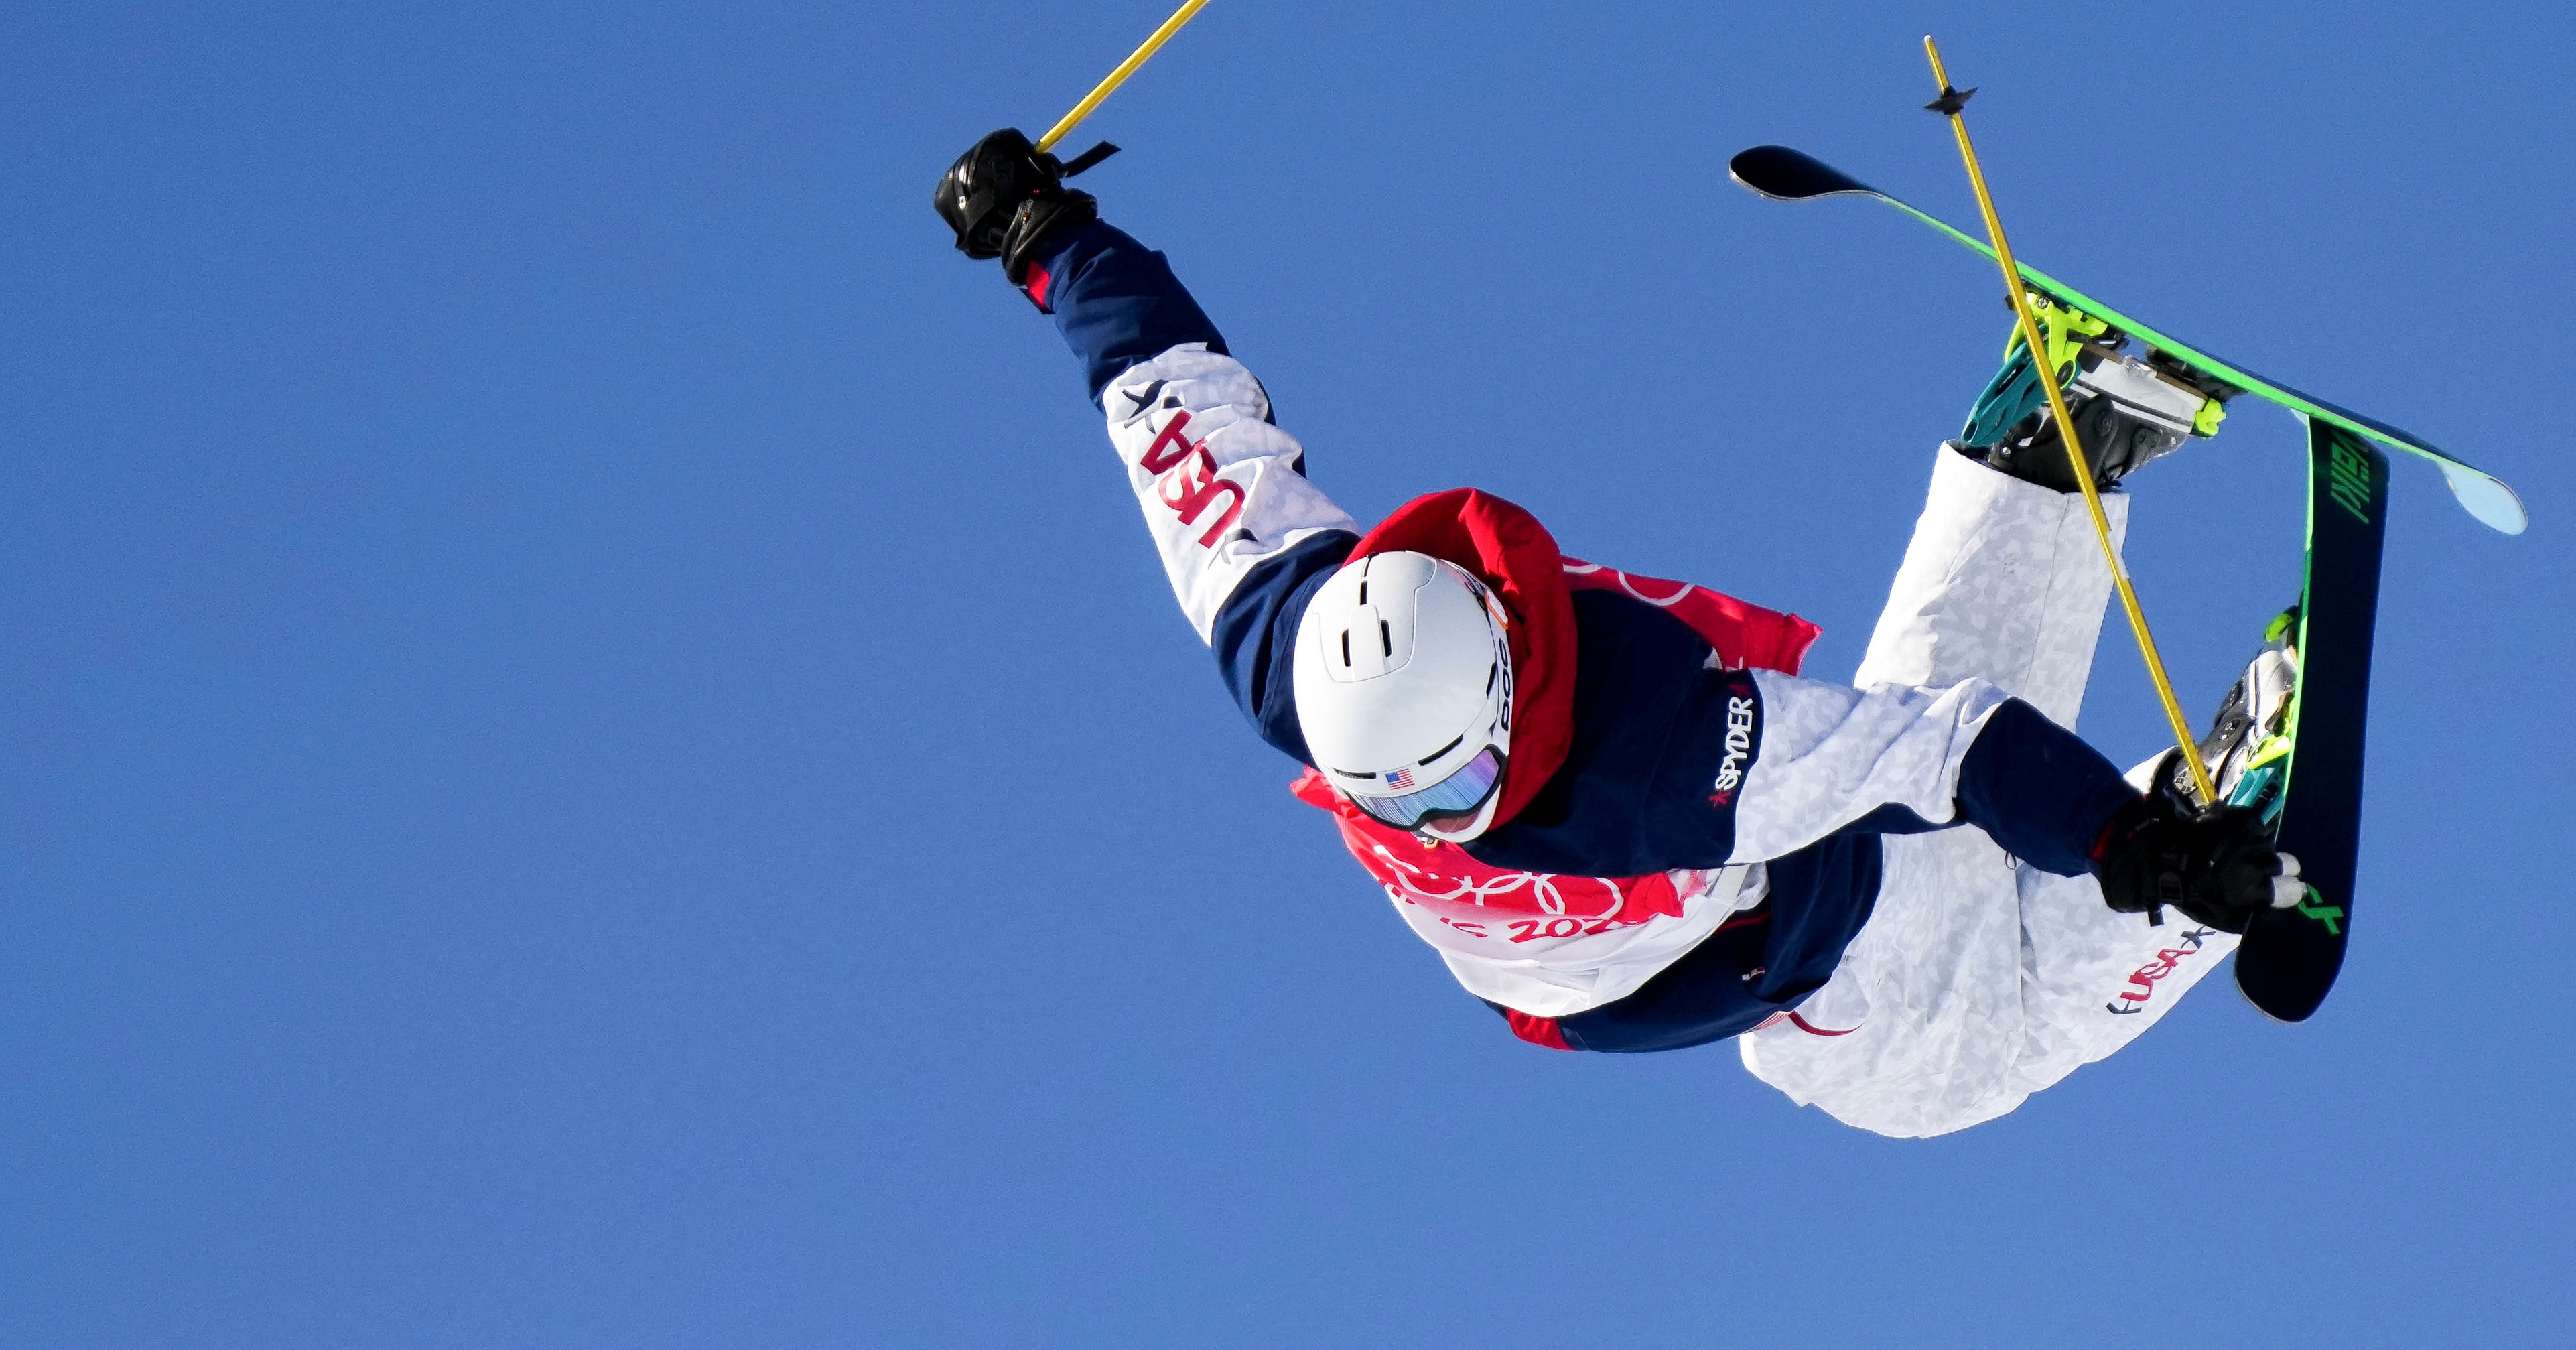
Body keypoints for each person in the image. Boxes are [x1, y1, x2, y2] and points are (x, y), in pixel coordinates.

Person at [935, 127, 2303, 1138]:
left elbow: (1939, 748)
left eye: (1463, 782)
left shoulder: (1652, 767)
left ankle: (2229, 808)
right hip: (1712, 930)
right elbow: (1173, 408)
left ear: (1499, 691)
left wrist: (2143, 852)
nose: (1448, 822)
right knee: (1927, 895)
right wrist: (1045, 243)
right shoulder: (1300, 646)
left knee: (1942, 1064)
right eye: (1405, 802)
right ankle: (2046, 453)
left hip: (1778, 917)